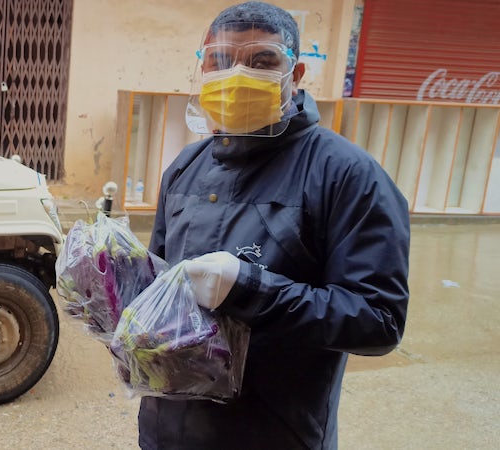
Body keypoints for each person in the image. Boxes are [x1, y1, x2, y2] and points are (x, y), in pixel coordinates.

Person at [145, 2, 410, 449]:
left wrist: (251, 290)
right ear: (203, 66)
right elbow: (156, 287)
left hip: (274, 434)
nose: (236, 75)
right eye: (220, 60)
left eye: (262, 61)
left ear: (297, 74)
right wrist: (109, 289)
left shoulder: (347, 175)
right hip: (168, 430)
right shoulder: (185, 168)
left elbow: (378, 320)